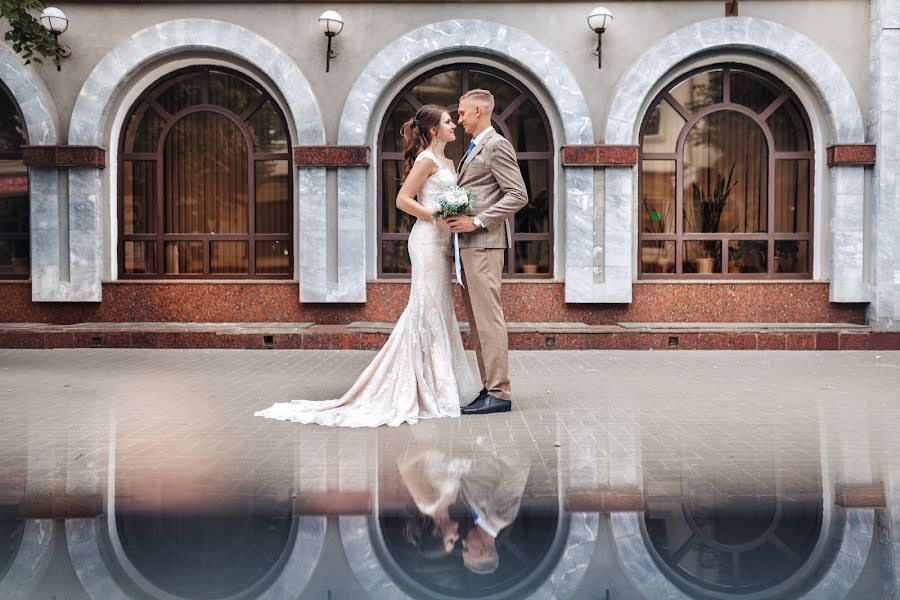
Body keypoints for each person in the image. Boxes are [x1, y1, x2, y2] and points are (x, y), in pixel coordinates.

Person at [254, 104, 481, 427]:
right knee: (426, 309)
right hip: (427, 241)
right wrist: (437, 216)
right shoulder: (427, 160)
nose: (453, 125)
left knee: (441, 310)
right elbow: (403, 199)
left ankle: (442, 383)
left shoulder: (446, 160)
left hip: (444, 244)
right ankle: (423, 386)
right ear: (433, 129)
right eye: (448, 121)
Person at [448, 89, 529, 415]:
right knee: (478, 322)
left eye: (462, 112)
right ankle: (490, 387)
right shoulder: (474, 148)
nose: (459, 118)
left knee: (488, 320)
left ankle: (500, 392)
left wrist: (478, 221)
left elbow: (518, 194)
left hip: (484, 244)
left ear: (479, 110)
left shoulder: (496, 145)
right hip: (471, 247)